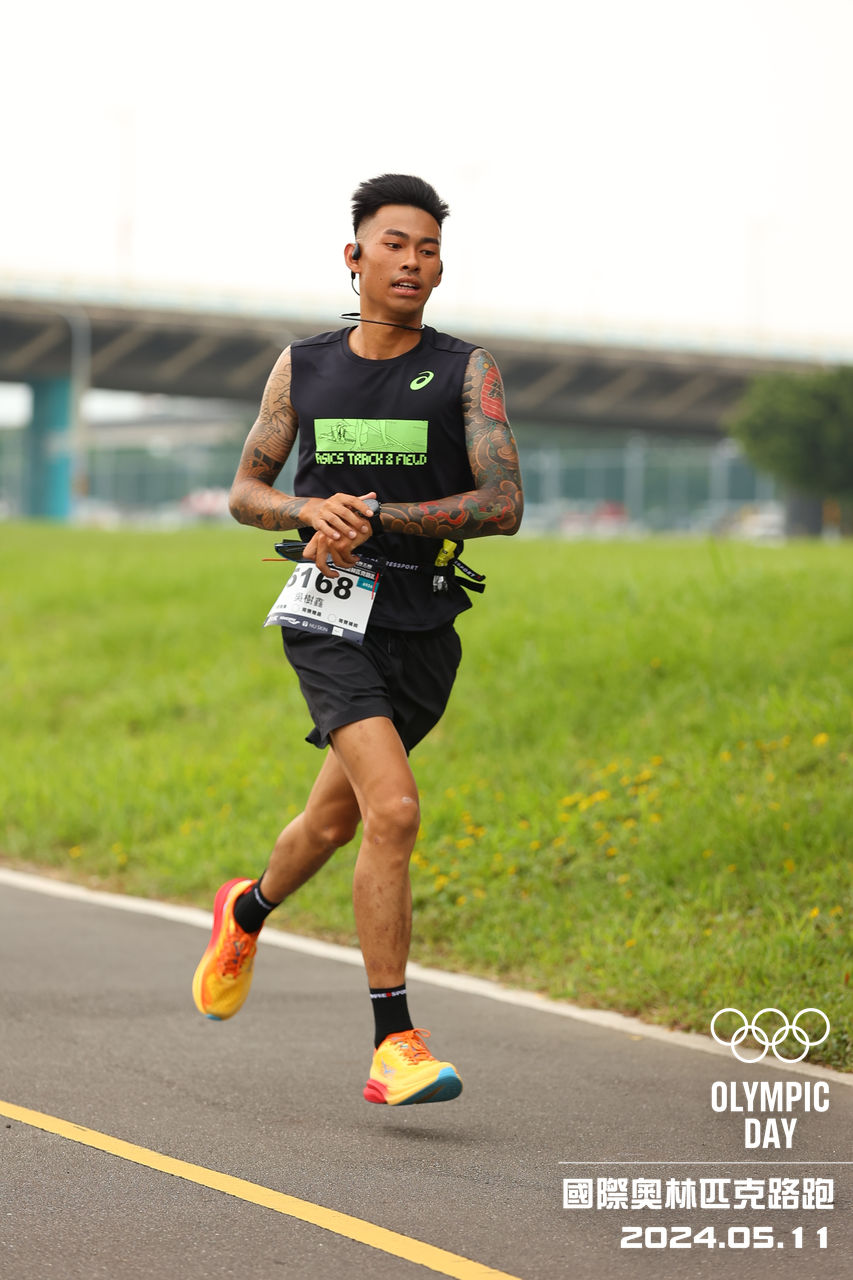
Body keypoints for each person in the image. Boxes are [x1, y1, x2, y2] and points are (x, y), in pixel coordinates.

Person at [192, 174, 523, 1106]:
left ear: (439, 267)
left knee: (335, 823)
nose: (412, 261)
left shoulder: (466, 370)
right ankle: (394, 1043)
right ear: (355, 256)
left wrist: (379, 517)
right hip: (328, 611)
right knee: (396, 810)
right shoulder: (302, 365)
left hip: (425, 621)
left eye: (427, 248)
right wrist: (308, 509)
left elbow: (502, 503)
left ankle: (246, 909)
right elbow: (245, 491)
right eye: (394, 244)